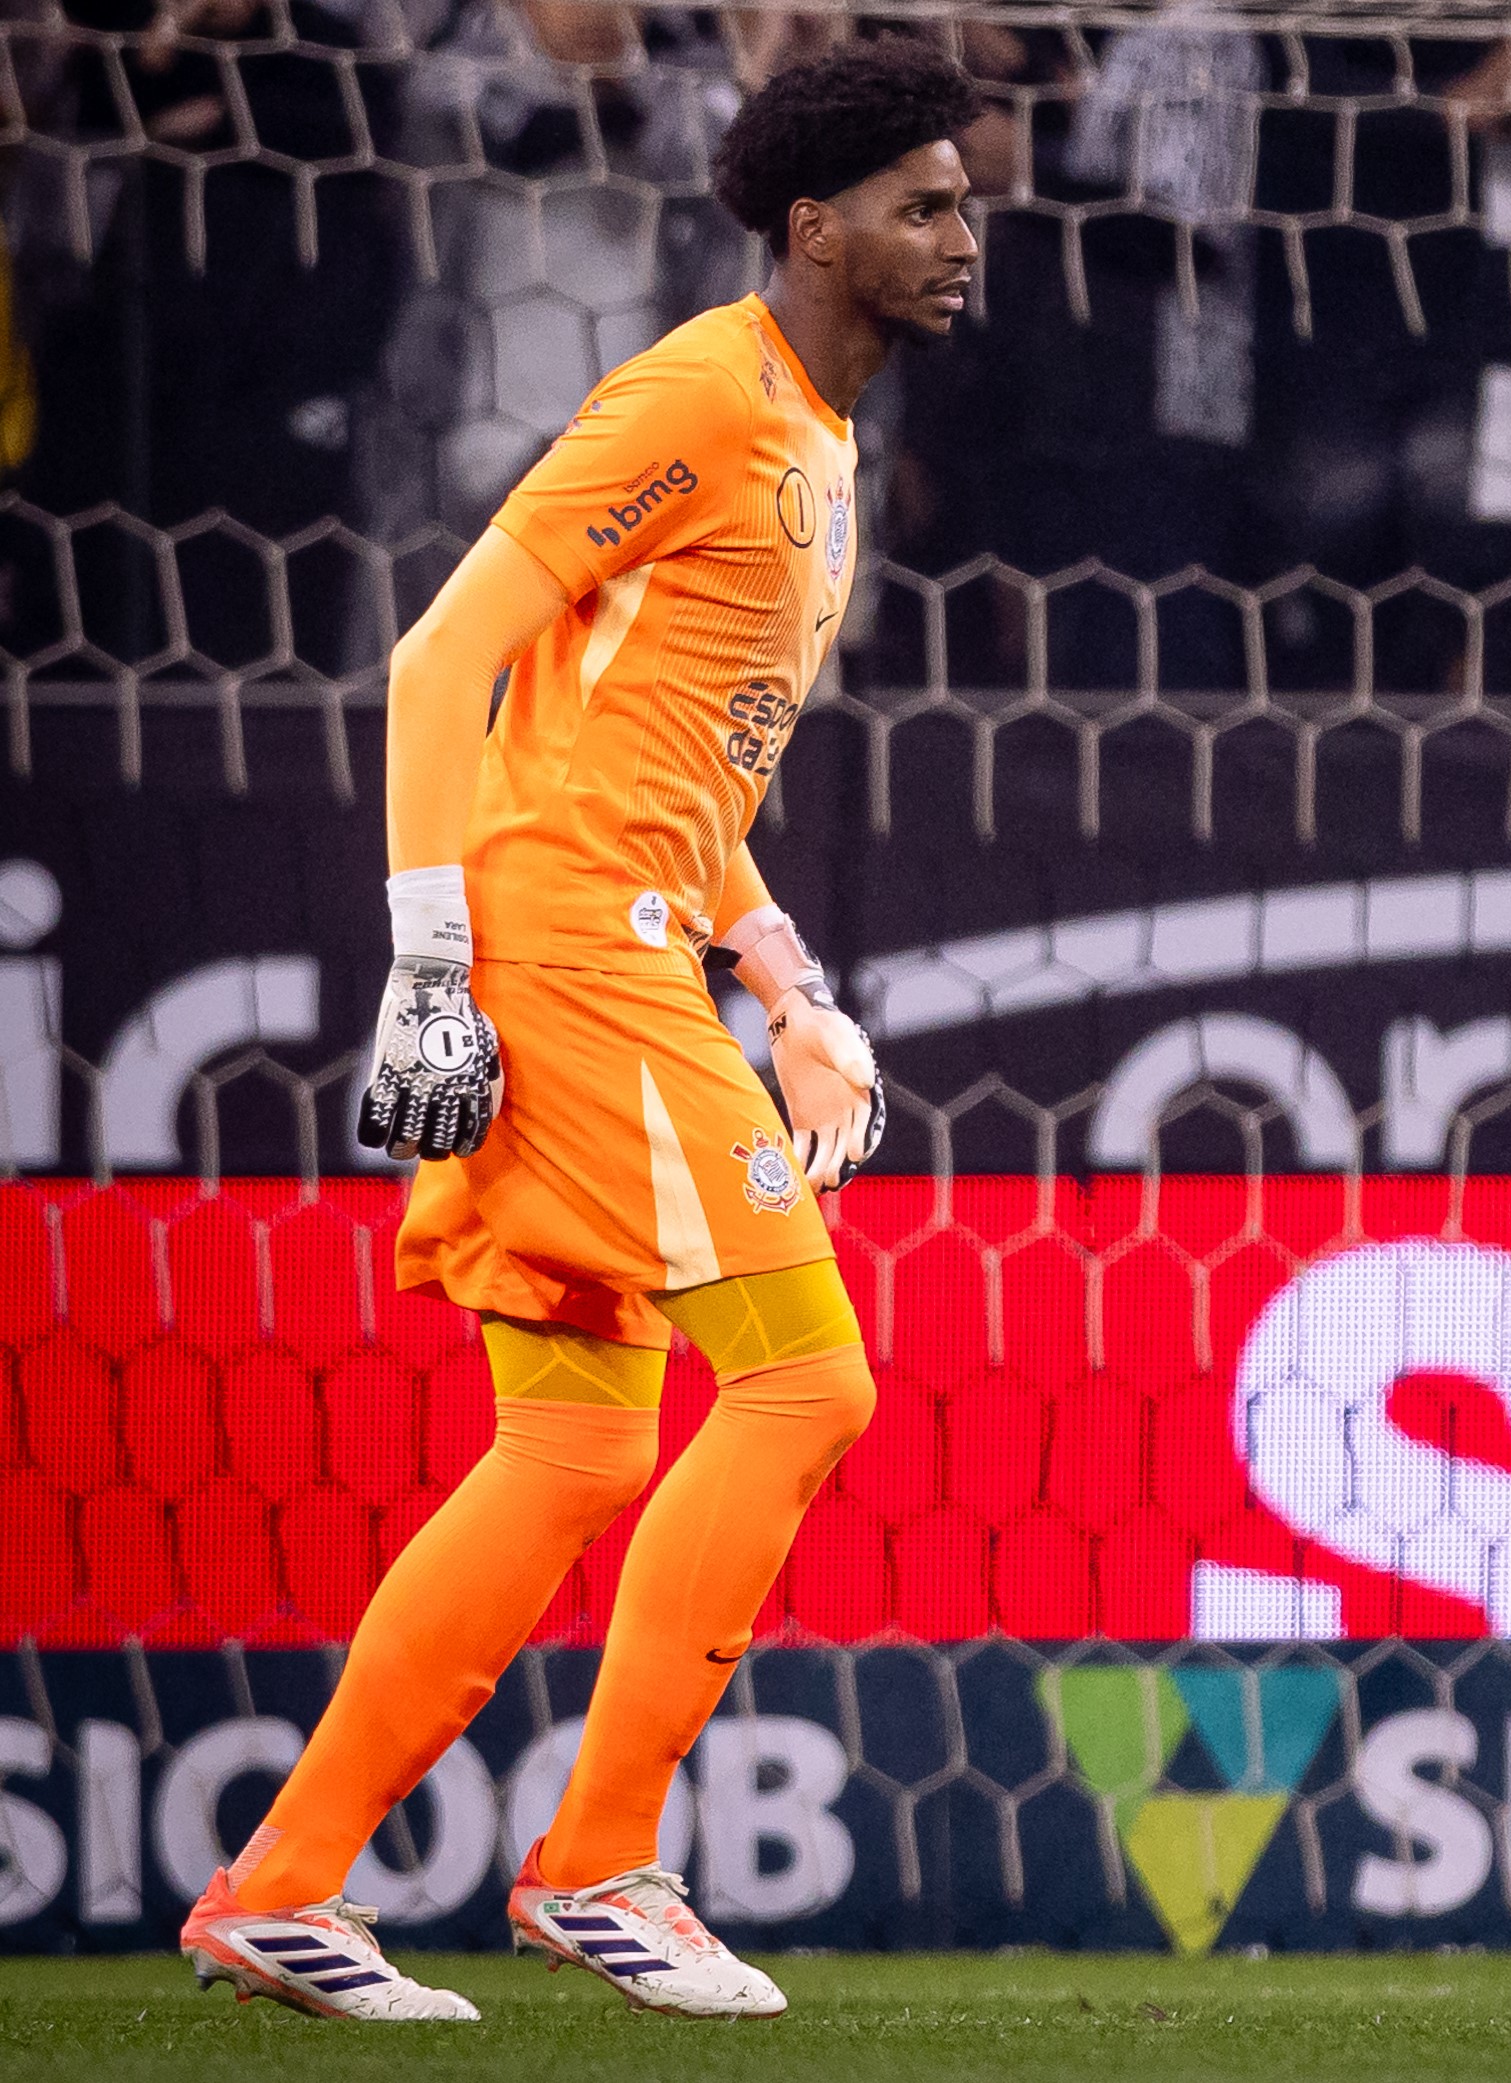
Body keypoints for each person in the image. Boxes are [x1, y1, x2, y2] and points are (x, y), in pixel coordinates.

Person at [176, 37, 983, 2023]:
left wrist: (793, 991)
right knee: (806, 1388)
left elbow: (667, 778)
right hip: (552, 935)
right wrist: (429, 957)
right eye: (924, 207)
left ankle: (276, 1889)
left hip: (622, 914)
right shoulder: (702, 391)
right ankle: (602, 1860)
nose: (965, 238)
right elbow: (447, 650)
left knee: (568, 1444)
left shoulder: (817, 441)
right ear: (818, 227)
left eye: (963, 202)